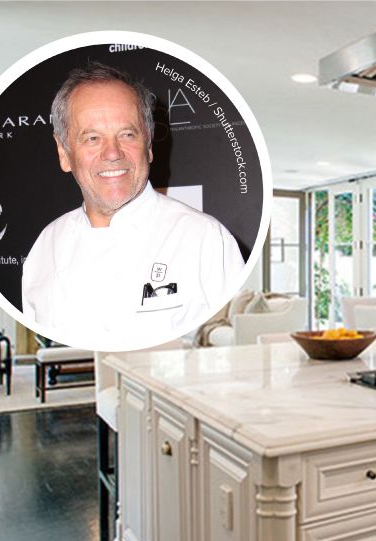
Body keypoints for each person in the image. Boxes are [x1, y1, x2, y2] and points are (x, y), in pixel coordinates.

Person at [21, 62, 245, 350]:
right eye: (92, 138)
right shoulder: (45, 247)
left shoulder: (207, 240)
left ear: (148, 145)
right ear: (64, 153)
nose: (112, 153)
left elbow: (235, 353)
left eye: (127, 134)